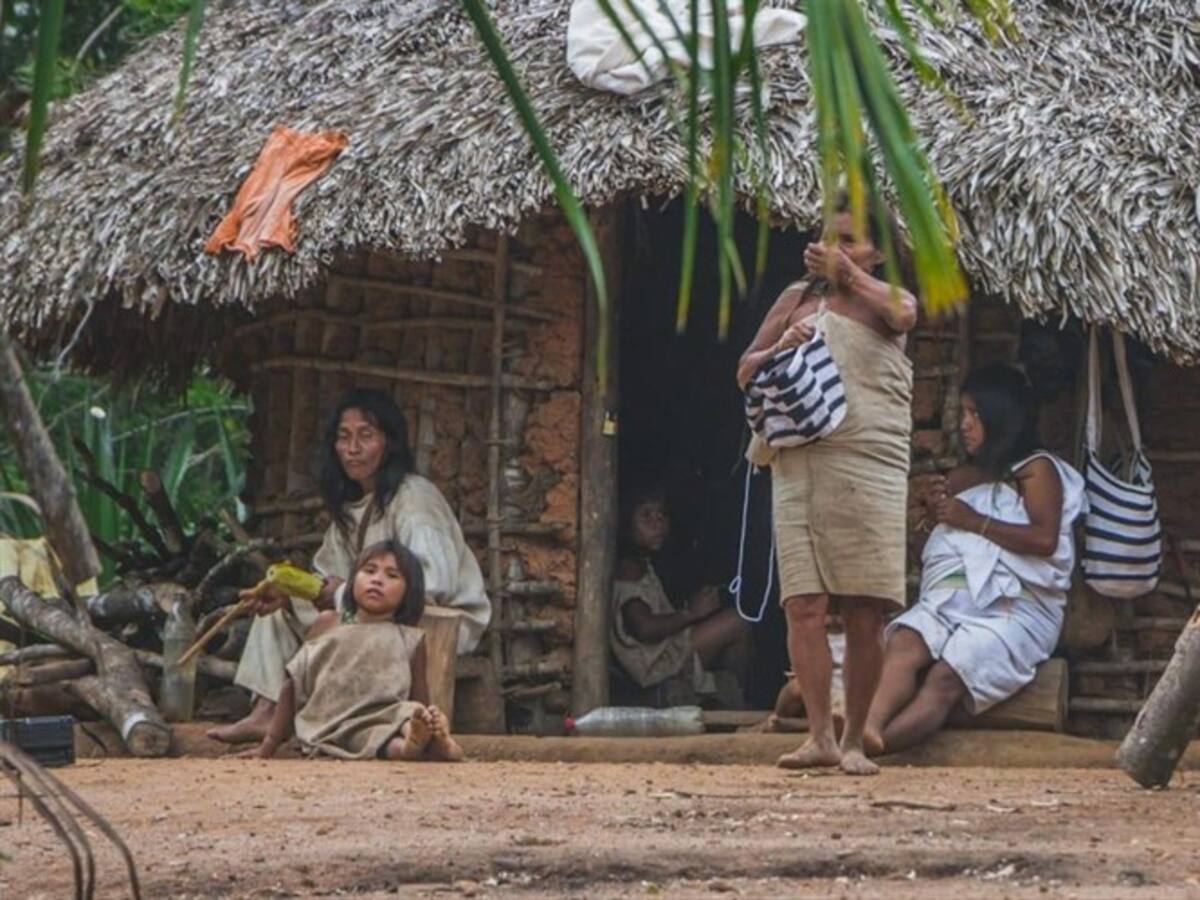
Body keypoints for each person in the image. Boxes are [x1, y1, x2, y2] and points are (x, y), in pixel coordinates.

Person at [737, 195, 917, 775]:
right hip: (799, 462)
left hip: (868, 463)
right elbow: (745, 369)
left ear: (879, 255)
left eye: (851, 242)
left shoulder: (883, 302)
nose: (837, 250)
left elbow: (908, 313)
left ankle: (856, 741)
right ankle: (819, 736)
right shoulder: (797, 299)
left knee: (866, 608)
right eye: (830, 239)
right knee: (804, 606)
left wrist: (848, 277)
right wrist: (778, 349)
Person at [209, 388, 490, 744]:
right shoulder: (355, 509)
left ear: (389, 443)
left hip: (433, 620)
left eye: (365, 436)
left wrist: (341, 593)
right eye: (344, 437)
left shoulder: (415, 500)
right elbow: (326, 577)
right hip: (377, 611)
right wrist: (296, 592)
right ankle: (266, 711)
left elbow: (432, 584)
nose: (352, 448)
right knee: (283, 605)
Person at [863, 365, 1084, 754]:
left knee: (947, 677)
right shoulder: (966, 477)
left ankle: (872, 749)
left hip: (1015, 611)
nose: (964, 425)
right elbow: (945, 548)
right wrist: (934, 517)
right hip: (952, 602)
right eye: (963, 413)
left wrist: (972, 520)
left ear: (1001, 416)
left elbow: (1044, 539)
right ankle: (865, 731)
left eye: (974, 414)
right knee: (906, 641)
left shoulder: (1037, 469)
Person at [252, 539, 463, 761]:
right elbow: (293, 682)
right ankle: (421, 747)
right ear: (352, 581)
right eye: (369, 571)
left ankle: (421, 743)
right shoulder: (328, 623)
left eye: (392, 575)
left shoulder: (410, 638)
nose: (377, 580)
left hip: (382, 720)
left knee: (402, 719)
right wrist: (269, 744)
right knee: (373, 740)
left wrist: (425, 718)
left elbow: (418, 697)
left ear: (408, 593)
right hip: (330, 724)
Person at [610, 486, 751, 698]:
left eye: (662, 515)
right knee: (738, 622)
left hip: (663, 652)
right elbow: (644, 629)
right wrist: (691, 614)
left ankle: (728, 696)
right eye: (646, 516)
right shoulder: (628, 569)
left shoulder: (642, 563)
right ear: (625, 525)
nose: (657, 524)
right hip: (656, 663)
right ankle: (736, 699)